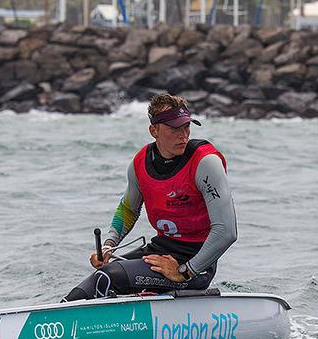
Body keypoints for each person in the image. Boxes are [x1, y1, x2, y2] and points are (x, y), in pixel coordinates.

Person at [62, 94, 237, 302]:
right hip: (161, 249)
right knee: (104, 273)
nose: (183, 135)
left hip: (196, 261)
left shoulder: (205, 163)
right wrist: (108, 246)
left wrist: (185, 271)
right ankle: (54, 317)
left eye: (186, 127)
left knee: (109, 277)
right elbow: (128, 209)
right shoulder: (140, 163)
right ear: (154, 130)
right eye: (174, 128)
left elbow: (226, 231)